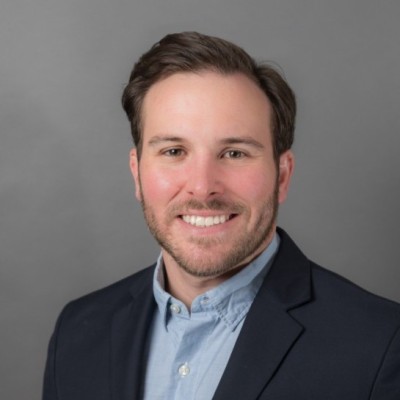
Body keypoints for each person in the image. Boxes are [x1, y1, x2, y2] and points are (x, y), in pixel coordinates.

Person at [42, 32, 400, 400]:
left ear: (282, 176)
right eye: (174, 151)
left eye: (234, 153)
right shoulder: (76, 333)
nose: (202, 187)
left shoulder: (381, 346)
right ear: (137, 173)